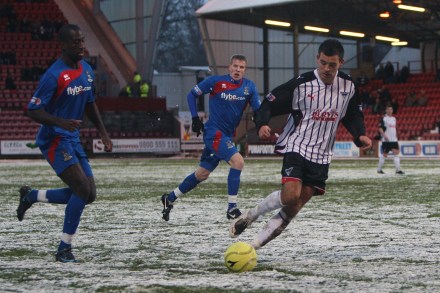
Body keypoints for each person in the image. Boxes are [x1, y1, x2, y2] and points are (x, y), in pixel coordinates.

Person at [228, 39, 372, 250]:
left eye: (332, 64)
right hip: (297, 145)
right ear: (317, 59)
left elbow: (351, 114)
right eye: (322, 63)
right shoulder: (301, 84)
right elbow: (269, 102)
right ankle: (252, 215)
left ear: (340, 62)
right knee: (290, 195)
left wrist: (360, 135)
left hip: (322, 155)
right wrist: (262, 123)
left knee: (294, 207)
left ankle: (251, 247)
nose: (326, 68)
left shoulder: (348, 86)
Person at [16, 24, 113, 263]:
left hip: (71, 138)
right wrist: (60, 122)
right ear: (63, 45)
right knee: (81, 189)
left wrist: (103, 132)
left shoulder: (87, 70)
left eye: (82, 41)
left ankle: (32, 196)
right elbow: (33, 109)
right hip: (54, 139)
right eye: (75, 42)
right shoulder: (54, 75)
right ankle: (64, 249)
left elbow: (90, 103)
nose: (81, 45)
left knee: (89, 194)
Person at [160, 54, 261, 221]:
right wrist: (194, 118)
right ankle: (232, 208)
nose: (237, 70)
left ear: (245, 70)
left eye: (241, 67)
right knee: (238, 161)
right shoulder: (215, 82)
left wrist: (264, 118)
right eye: (235, 66)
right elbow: (191, 95)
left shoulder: (249, 87)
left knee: (202, 174)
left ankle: (169, 198)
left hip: (226, 135)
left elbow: (259, 109)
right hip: (214, 133)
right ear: (229, 67)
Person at [377, 105, 404, 175]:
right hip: (386, 140)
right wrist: (384, 135)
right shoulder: (384, 118)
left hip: (394, 140)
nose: (390, 111)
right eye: (388, 109)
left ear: (392, 110)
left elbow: (394, 129)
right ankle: (379, 170)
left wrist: (397, 135)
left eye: (391, 109)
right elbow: (380, 128)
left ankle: (398, 170)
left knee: (396, 154)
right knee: (384, 155)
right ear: (386, 110)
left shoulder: (394, 118)